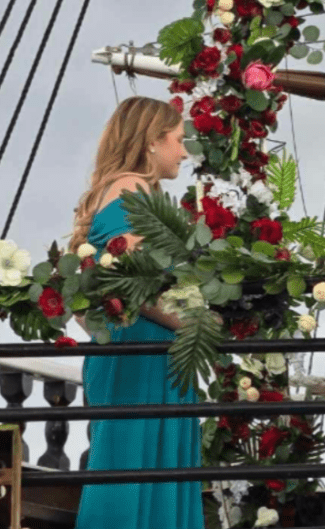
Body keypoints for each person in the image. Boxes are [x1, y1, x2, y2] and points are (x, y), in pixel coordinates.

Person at [70, 96, 203, 529]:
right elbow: (132, 279)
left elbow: (89, 293)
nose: (183, 152)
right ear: (152, 141)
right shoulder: (133, 187)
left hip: (139, 349)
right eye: (179, 140)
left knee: (133, 472)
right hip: (142, 352)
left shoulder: (121, 190)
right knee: (135, 472)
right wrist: (191, 323)